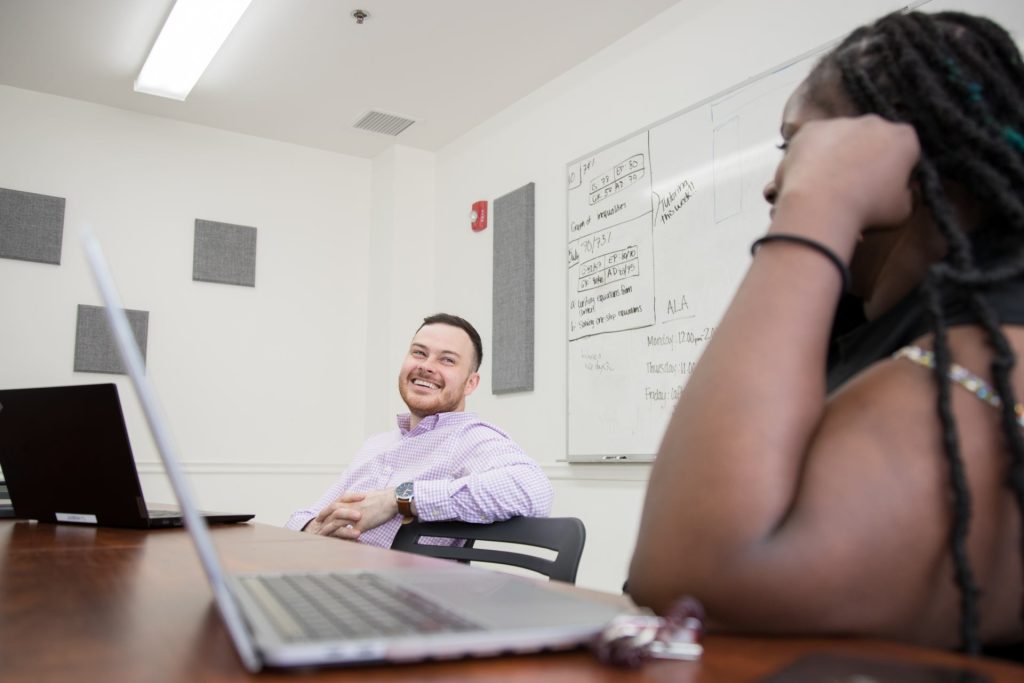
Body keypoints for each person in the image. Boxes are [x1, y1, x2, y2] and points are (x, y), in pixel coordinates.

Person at [628, 11, 1024, 656]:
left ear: (895, 145)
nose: (774, 181)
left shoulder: (996, 345)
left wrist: (818, 206)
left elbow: (697, 574)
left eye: (795, 145)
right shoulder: (877, 331)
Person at [286, 313, 553, 548]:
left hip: (395, 595)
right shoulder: (377, 444)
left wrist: (397, 499)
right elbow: (305, 516)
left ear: (470, 383)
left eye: (447, 360)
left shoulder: (470, 437)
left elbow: (534, 490)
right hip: (326, 573)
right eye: (419, 353)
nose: (426, 366)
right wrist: (313, 530)